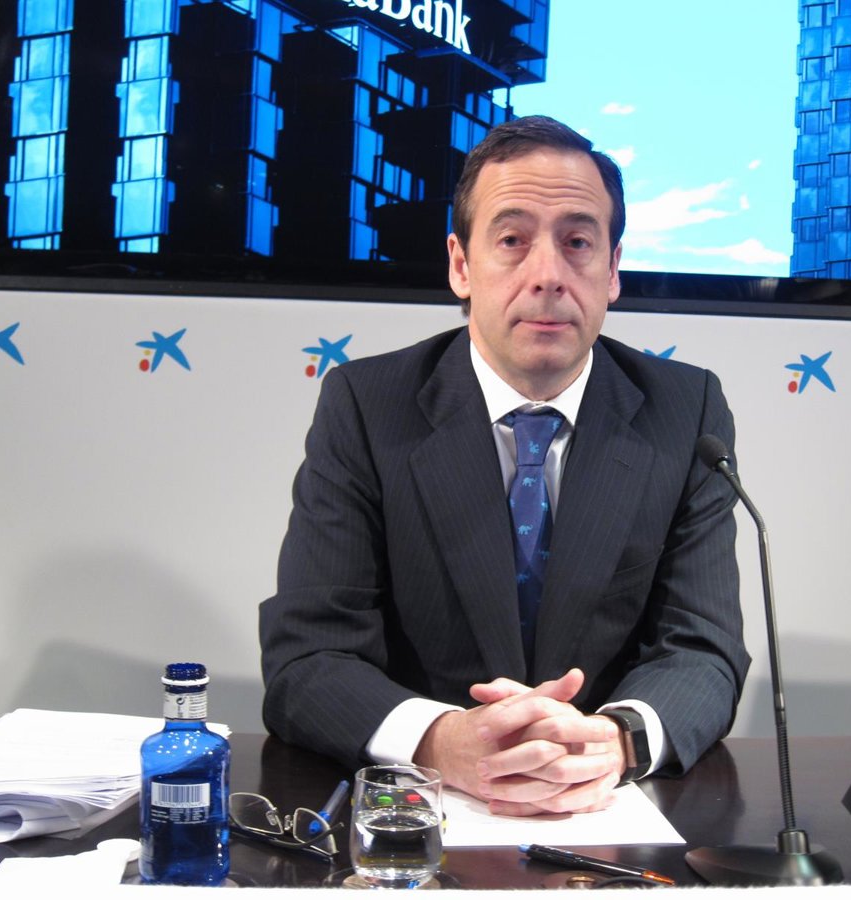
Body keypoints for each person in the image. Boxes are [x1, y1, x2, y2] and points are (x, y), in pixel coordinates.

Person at [259, 115, 750, 817]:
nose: (548, 275)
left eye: (577, 243)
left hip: (603, 812)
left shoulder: (685, 410)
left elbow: (703, 649)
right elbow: (308, 658)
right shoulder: (367, 406)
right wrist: (441, 741)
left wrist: (615, 741)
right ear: (461, 265)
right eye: (513, 240)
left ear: (612, 270)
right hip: (418, 815)